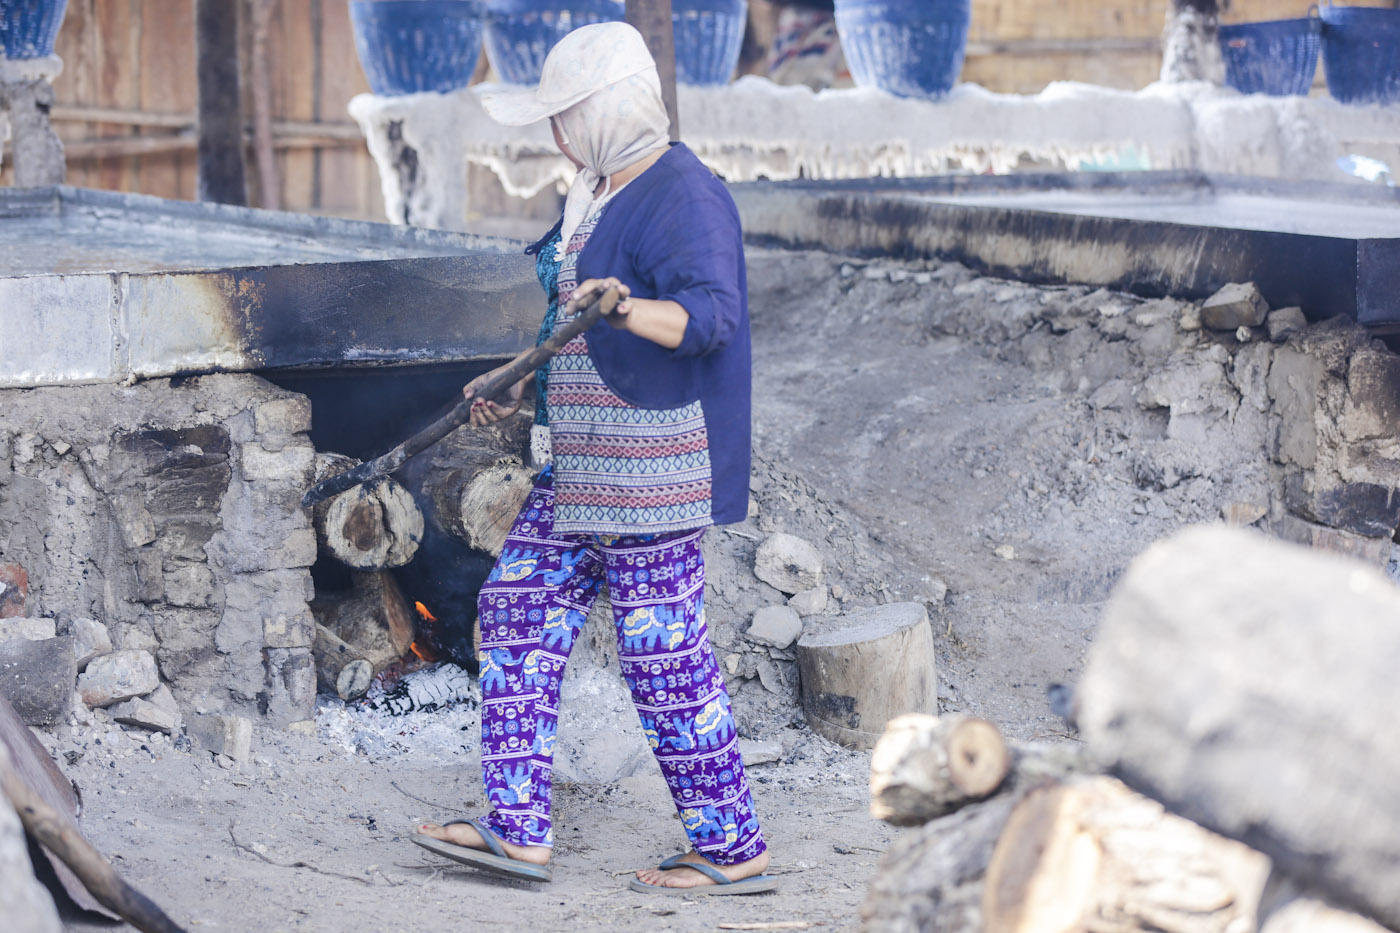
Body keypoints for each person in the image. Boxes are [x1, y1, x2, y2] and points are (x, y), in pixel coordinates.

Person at [412, 22, 774, 896]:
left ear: (611, 110)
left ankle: (732, 847)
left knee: (663, 656)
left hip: (655, 469)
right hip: (579, 468)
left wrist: (625, 308)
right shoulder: (597, 189)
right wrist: (518, 383)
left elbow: (709, 317)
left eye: (566, 116)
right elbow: (567, 321)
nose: (554, 134)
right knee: (515, 608)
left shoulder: (683, 194)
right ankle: (518, 828)